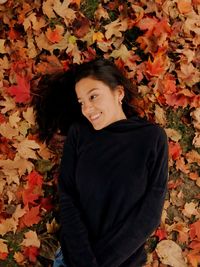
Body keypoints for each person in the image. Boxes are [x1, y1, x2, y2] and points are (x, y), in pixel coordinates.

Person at [32, 58, 168, 267]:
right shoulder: (80, 133)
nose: (87, 108)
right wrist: (83, 261)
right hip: (73, 259)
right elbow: (68, 196)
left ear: (119, 93)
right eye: (82, 102)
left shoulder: (151, 138)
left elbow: (149, 214)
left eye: (93, 96)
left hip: (123, 262)